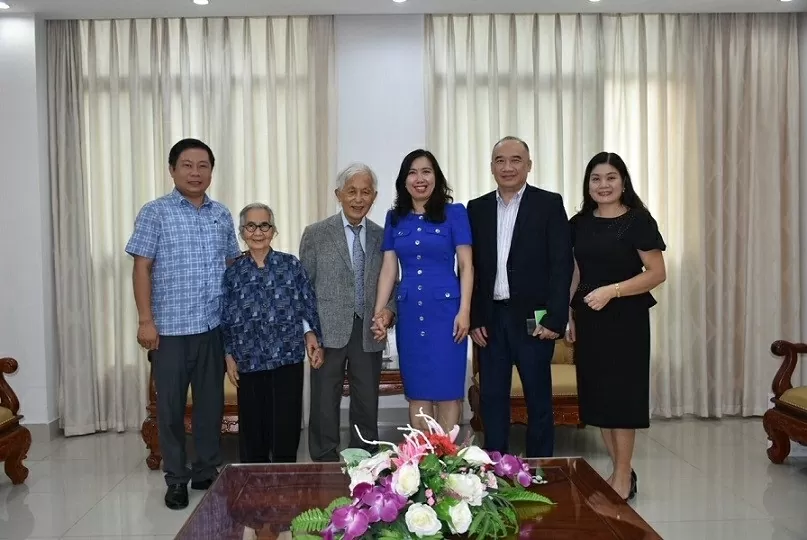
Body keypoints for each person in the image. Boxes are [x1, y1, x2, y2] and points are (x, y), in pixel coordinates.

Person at [125, 138, 241, 510]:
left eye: (203, 165)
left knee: (210, 408)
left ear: (211, 170)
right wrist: (146, 321)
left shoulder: (221, 214)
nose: (195, 172)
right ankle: (175, 478)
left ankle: (205, 470)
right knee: (171, 410)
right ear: (172, 169)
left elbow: (231, 267)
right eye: (187, 165)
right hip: (170, 332)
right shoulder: (155, 212)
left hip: (211, 328)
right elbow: (141, 267)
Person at [566, 152, 666, 501]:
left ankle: (623, 475)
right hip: (590, 319)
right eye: (596, 178)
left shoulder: (638, 221)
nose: (603, 185)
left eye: (610, 177)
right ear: (588, 184)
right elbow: (575, 272)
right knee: (601, 398)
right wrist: (569, 315)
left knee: (622, 399)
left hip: (627, 320)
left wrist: (613, 290)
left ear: (623, 182)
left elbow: (657, 273)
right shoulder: (578, 223)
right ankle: (618, 468)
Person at [467, 136, 574, 458]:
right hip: (491, 318)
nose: (508, 167)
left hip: (534, 317)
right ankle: (495, 469)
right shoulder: (477, 208)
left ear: (529, 165)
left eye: (516, 160)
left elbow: (561, 264)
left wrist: (556, 317)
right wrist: (474, 318)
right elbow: (468, 268)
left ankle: (541, 467)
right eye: (500, 160)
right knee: (493, 398)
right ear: (491, 167)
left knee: (538, 397)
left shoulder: (549, 204)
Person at [299, 163, 396, 462]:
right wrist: (308, 331)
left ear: (374, 196)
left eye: (365, 192)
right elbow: (303, 287)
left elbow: (393, 284)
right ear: (338, 194)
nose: (358, 198)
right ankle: (324, 456)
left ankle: (364, 456)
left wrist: (389, 313)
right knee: (324, 399)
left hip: (368, 330)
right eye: (351, 191)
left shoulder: (383, 236)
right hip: (327, 330)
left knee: (367, 399)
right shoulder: (316, 234)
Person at [372, 149, 473, 433]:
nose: (420, 178)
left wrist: (465, 311)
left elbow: (466, 265)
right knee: (417, 390)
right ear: (404, 181)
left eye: (426, 171)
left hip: (447, 314)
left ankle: (446, 463)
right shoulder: (395, 218)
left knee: (447, 389)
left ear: (436, 178)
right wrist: (379, 312)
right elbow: (389, 269)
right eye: (412, 172)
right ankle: (422, 463)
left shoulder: (454, 214)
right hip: (411, 313)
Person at [221, 203, 323, 464]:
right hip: (249, 359)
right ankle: (254, 484)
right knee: (254, 429)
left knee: (285, 427)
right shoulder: (233, 273)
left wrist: (311, 335)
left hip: (287, 357)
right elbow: (226, 315)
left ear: (273, 230)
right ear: (242, 232)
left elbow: (307, 304)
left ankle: (285, 481)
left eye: (264, 225)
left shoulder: (290, 265)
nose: (258, 232)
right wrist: (229, 355)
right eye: (251, 226)